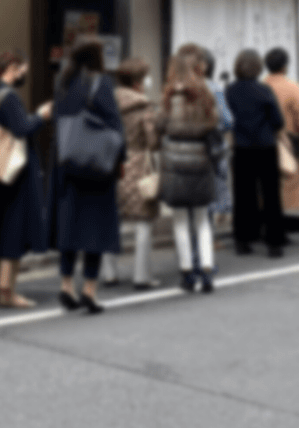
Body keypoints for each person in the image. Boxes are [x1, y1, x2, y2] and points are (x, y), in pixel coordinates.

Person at [50, 37, 125, 315]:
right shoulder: (101, 83)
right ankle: (89, 291)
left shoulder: (63, 83)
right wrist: (120, 158)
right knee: (96, 229)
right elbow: (115, 125)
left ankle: (66, 285)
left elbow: (57, 123)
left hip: (68, 164)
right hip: (96, 167)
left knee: (69, 228)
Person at [0, 50, 52, 308]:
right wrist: (41, 116)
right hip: (12, 174)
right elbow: (21, 128)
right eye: (23, 70)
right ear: (13, 67)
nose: (24, 75)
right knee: (13, 229)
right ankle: (6, 291)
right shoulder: (8, 96)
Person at [157, 51, 219, 292]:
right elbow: (215, 123)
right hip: (200, 158)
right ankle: (207, 270)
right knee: (202, 219)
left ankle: (187, 273)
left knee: (180, 219)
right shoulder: (205, 93)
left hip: (175, 160)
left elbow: (159, 125)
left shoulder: (168, 94)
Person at [100, 58, 160, 290]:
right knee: (143, 220)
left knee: (110, 218)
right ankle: (141, 276)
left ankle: (109, 273)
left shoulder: (106, 102)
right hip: (136, 164)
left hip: (108, 163)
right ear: (137, 82)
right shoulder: (144, 107)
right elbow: (153, 141)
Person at [225, 49, 287, 258]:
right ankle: (274, 242)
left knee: (243, 194)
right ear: (258, 68)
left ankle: (243, 239)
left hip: (241, 148)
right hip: (265, 146)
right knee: (271, 194)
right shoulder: (264, 90)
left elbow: (226, 118)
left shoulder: (230, 91)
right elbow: (278, 120)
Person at [264, 48, 299, 218]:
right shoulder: (293, 88)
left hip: (263, 145)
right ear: (285, 66)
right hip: (289, 145)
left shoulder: (261, 87)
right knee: (289, 192)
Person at [200, 49, 234, 228]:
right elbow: (227, 120)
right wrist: (216, 129)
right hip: (213, 147)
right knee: (213, 193)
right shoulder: (214, 88)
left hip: (185, 150)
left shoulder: (177, 87)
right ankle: (208, 237)